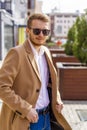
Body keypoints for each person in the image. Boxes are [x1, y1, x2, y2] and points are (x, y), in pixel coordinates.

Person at [0, 13, 64, 130]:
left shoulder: (46, 51)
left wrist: (57, 99)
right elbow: (2, 87)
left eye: (45, 32)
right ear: (27, 31)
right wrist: (26, 109)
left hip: (47, 117)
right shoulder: (16, 53)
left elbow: (48, 83)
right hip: (27, 121)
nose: (41, 35)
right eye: (36, 31)